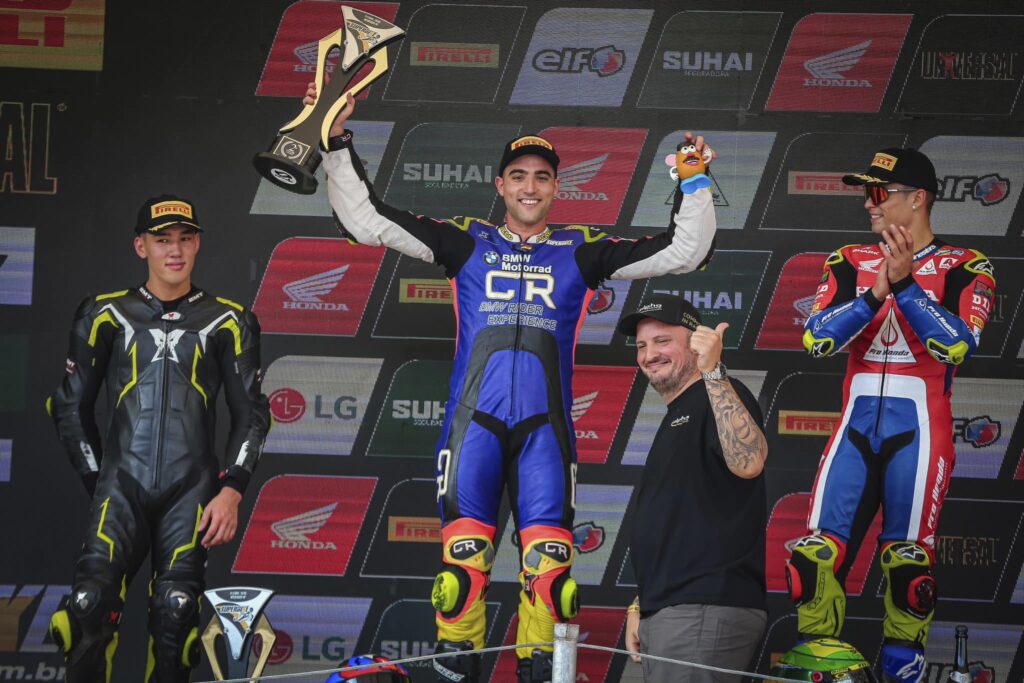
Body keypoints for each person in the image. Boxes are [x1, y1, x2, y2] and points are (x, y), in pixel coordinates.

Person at [305, 85, 718, 683]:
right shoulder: (466, 241)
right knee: (460, 576)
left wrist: (695, 181)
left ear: (556, 188)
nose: (530, 186)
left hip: (544, 433)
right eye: (519, 175)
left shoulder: (580, 251)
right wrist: (338, 142)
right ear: (500, 185)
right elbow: (365, 221)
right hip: (473, 426)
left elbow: (684, 252)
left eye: (542, 177)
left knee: (552, 580)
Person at [788, 148, 996, 682]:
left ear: (918, 198)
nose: (868, 203)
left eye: (879, 192)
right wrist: (878, 288)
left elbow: (957, 345)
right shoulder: (849, 260)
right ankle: (821, 669)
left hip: (921, 431)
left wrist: (904, 284)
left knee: (909, 570)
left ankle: (903, 670)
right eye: (866, 192)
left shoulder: (967, 265)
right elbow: (816, 339)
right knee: (812, 561)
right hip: (854, 428)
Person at [46, 196, 271, 683]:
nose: (175, 250)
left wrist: (231, 490)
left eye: (185, 239)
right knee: (88, 605)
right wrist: (100, 481)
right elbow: (69, 407)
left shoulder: (229, 320)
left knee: (177, 612)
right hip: (119, 489)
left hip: (191, 493)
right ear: (140, 246)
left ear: (198, 244)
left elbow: (252, 415)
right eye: (162, 239)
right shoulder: (104, 313)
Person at [615, 293, 768, 683]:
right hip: (675, 610)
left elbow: (749, 460)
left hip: (701, 609)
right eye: (641, 346)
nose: (649, 354)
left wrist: (713, 371)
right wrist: (642, 603)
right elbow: (682, 525)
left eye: (662, 341)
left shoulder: (720, 394)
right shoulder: (679, 413)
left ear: (697, 342)